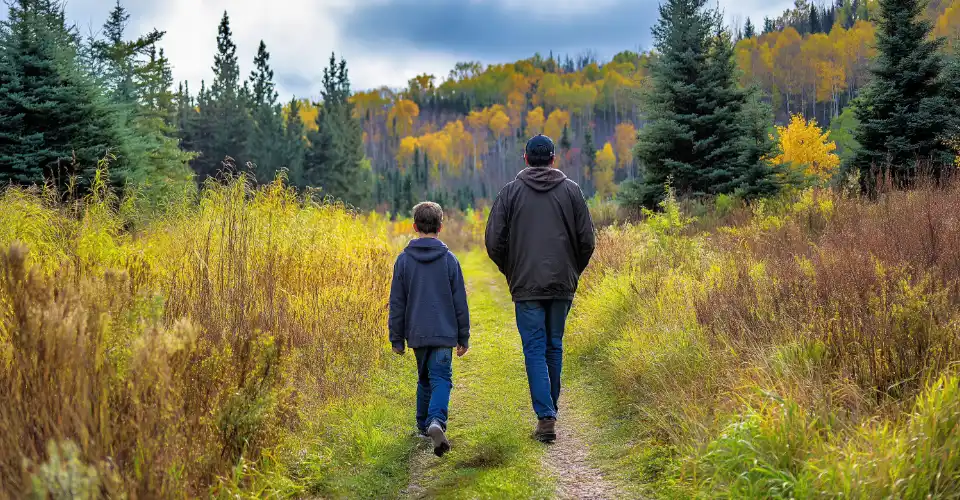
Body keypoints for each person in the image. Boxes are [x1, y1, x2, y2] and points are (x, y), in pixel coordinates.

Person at [484, 134, 596, 443]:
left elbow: (494, 242)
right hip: (562, 282)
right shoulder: (572, 192)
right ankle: (549, 412)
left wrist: (513, 270)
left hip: (526, 285)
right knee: (553, 345)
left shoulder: (510, 193)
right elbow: (587, 241)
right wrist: (572, 270)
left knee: (534, 348)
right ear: (553, 159)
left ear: (525, 158)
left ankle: (546, 417)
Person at [389, 201, 470, 457]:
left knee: (424, 378)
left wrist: (397, 338)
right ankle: (436, 421)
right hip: (445, 333)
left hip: (417, 333)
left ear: (414, 226)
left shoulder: (403, 261)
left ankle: (423, 427)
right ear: (441, 227)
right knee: (441, 379)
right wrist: (463, 336)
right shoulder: (450, 260)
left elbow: (397, 303)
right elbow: (460, 302)